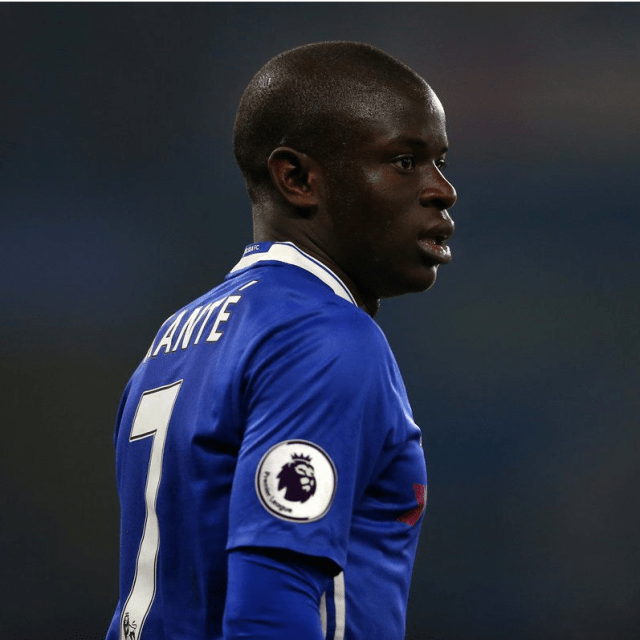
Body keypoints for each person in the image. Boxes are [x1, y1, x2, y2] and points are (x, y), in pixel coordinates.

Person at [105, 41, 456, 640]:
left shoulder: (174, 340)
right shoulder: (325, 339)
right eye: (405, 161)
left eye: (439, 162)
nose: (442, 190)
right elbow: (269, 610)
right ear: (297, 178)